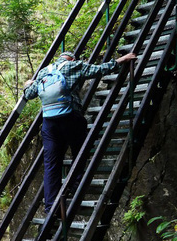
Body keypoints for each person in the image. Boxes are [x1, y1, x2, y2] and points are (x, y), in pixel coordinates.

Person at [22, 51, 138, 219]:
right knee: (80, 152)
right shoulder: (74, 66)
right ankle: (74, 186)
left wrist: (27, 84)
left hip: (49, 123)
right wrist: (123, 59)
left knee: (51, 165)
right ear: (72, 59)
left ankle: (50, 208)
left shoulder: (44, 72)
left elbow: (29, 94)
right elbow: (100, 70)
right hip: (70, 118)